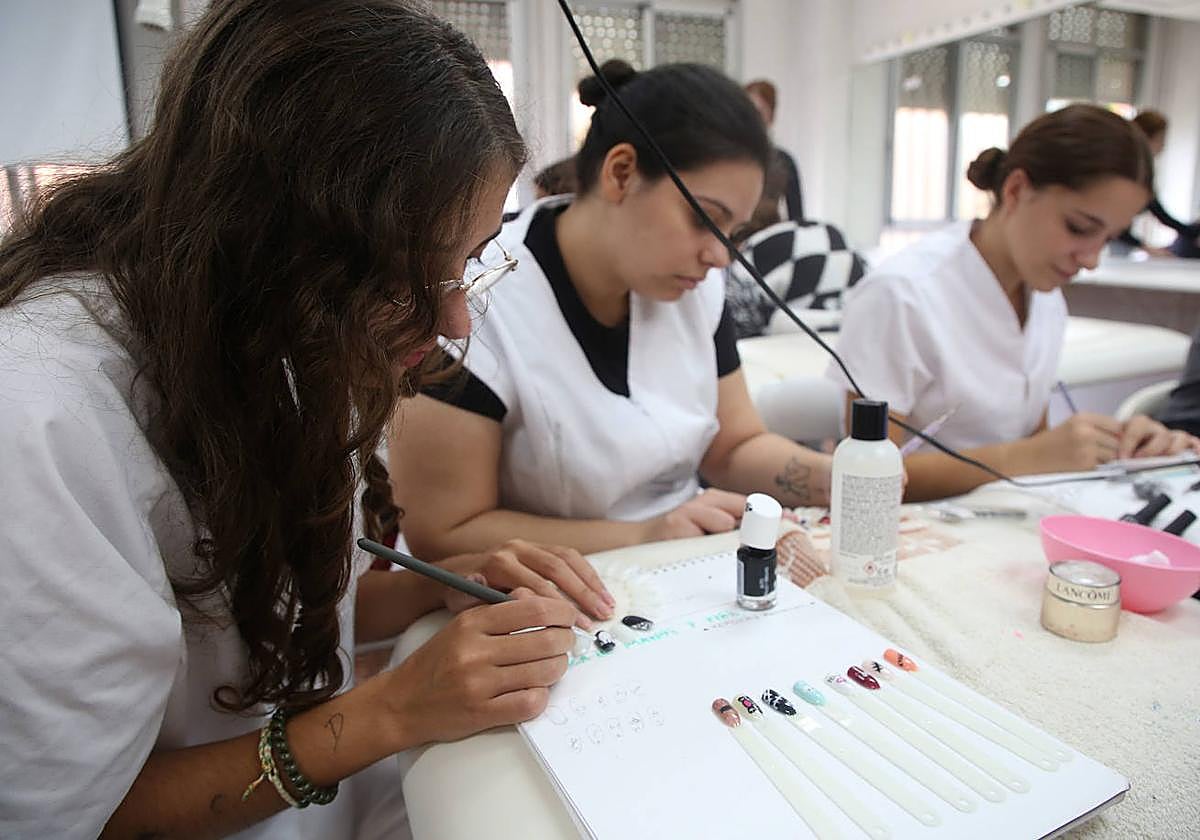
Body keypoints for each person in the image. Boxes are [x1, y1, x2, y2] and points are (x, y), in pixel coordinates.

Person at [0, 2, 616, 838]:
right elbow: (76, 815)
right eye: (409, 279)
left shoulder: (270, 326)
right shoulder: (46, 419)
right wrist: (389, 712)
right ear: (274, 238)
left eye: (470, 263)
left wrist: (440, 587)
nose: (457, 326)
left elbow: (268, 608)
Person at [391, 60, 834, 560]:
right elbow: (445, 531)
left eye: (733, 231)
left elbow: (732, 447)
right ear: (620, 173)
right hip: (537, 591)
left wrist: (832, 478)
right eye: (704, 219)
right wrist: (644, 535)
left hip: (681, 562)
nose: (720, 255)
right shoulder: (475, 297)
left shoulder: (695, 289)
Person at [828, 104, 1198, 502]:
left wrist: (1120, 447)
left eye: (1108, 238)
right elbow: (867, 479)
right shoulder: (901, 294)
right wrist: (1029, 456)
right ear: (1016, 190)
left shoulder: (1044, 297)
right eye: (1079, 228)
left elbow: (1034, 448)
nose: (1090, 259)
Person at [1116, 110, 1200, 257]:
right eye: (1161, 139)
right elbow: (1117, 225)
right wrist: (1145, 246)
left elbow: (1157, 211)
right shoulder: (1130, 172)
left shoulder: (1141, 171)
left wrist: (1192, 231)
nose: (1163, 145)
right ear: (1148, 138)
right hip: (1114, 244)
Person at [744, 78, 804, 224]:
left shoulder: (783, 161)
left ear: (770, 117)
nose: (750, 120)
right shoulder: (727, 159)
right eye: (746, 113)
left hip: (769, 240)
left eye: (758, 113)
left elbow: (797, 218)